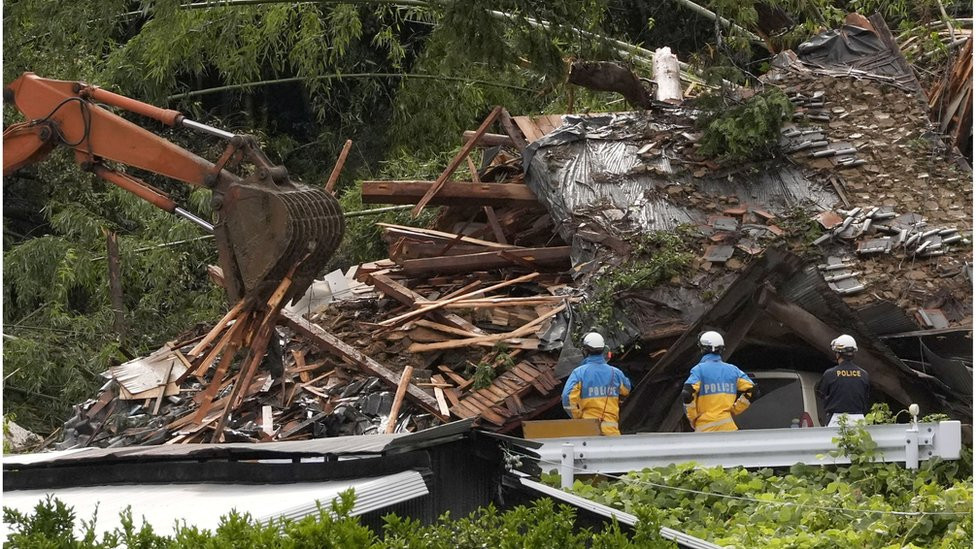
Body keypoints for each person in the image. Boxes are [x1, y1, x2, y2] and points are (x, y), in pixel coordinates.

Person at [681, 331, 758, 432]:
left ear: (702, 349)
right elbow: (753, 390)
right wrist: (734, 410)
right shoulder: (733, 370)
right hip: (728, 427)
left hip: (705, 429)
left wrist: (693, 417)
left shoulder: (699, 370)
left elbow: (687, 393)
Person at [562, 332, 632, 436]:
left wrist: (578, 417)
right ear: (604, 349)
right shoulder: (615, 373)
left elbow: (567, 398)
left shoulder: (579, 373)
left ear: (585, 351)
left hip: (588, 432)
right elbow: (626, 390)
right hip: (612, 433)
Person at [816, 334, 871, 427]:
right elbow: (866, 397)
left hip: (836, 421)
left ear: (838, 353)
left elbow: (820, 393)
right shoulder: (864, 374)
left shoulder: (830, 374)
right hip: (859, 420)